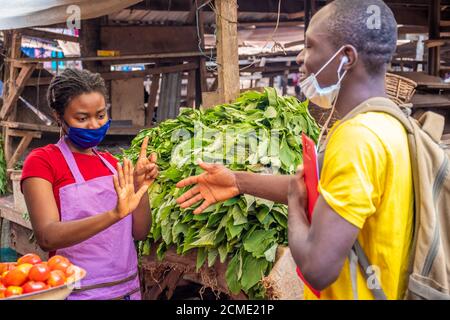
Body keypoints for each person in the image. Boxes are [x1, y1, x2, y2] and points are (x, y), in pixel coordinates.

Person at [175, 0, 413, 300]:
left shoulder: (357, 139)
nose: (301, 57)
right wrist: (236, 180)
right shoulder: (392, 124)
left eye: (311, 46)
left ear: (346, 58)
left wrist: (293, 205)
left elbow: (317, 268)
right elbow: (313, 186)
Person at [21, 69, 159, 300]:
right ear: (58, 115)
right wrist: (114, 214)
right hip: (77, 292)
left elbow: (140, 232)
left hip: (127, 290)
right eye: (82, 118)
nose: (94, 125)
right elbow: (47, 237)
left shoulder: (112, 163)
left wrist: (140, 187)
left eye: (101, 115)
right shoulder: (42, 161)